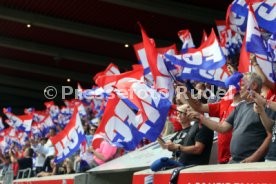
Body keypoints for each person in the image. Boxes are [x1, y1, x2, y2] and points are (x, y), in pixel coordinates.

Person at [187, 73, 272, 163]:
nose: (238, 89)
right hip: (234, 161)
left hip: (252, 164)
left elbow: (270, 136)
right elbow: (222, 128)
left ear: (254, 85)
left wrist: (253, 158)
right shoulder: (240, 106)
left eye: (242, 85)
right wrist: (200, 117)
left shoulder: (266, 106)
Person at [177, 57, 243, 164]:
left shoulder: (245, 102)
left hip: (238, 158)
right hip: (223, 158)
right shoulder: (224, 101)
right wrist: (184, 91)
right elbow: (199, 107)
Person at [150, 104, 214, 171]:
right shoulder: (194, 126)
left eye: (182, 113)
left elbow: (197, 149)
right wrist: (156, 134)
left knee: (159, 163)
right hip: (181, 164)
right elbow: (165, 146)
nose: (179, 115)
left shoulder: (202, 126)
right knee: (154, 168)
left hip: (191, 167)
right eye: (178, 114)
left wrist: (178, 147)